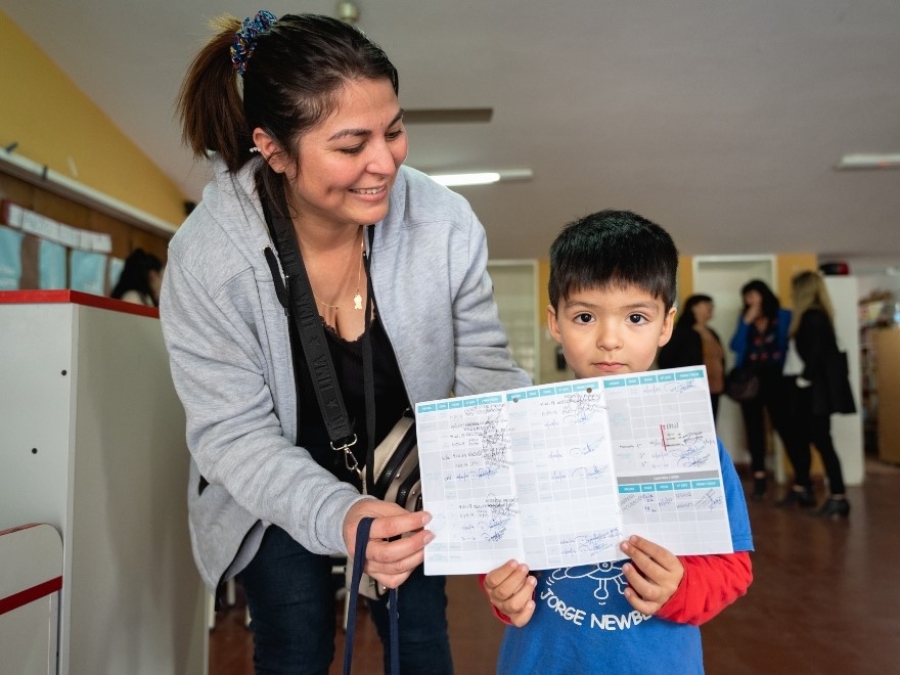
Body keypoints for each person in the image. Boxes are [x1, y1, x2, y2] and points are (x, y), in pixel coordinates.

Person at [162, 11, 530, 674]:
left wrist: (507, 489)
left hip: (404, 462)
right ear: (274, 150)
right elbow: (232, 434)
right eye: (351, 144)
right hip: (273, 472)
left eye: (394, 130)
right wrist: (339, 512)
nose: (384, 162)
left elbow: (486, 372)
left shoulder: (444, 223)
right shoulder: (209, 258)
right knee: (295, 638)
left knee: (420, 635)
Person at [481, 210, 753, 674]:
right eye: (585, 316)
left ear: (666, 325)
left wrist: (680, 586)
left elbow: (733, 568)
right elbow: (497, 556)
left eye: (636, 317)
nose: (610, 339)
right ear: (555, 323)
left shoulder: (692, 440)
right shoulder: (524, 434)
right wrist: (503, 593)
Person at [779, 271, 854, 518]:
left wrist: (803, 380)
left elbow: (815, 354)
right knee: (803, 439)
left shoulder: (813, 317)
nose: (791, 293)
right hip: (809, 390)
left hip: (812, 392)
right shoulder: (816, 316)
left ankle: (838, 497)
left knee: (822, 442)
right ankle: (803, 489)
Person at [728, 279, 794, 500]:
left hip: (777, 378)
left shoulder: (783, 316)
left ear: (764, 295)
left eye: (752, 295)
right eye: (746, 297)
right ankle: (759, 480)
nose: (749, 300)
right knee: (754, 429)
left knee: (785, 426)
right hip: (751, 380)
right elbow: (735, 346)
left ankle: (800, 480)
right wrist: (745, 322)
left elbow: (790, 345)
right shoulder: (745, 318)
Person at [657, 293, 726, 420]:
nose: (711, 307)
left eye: (711, 305)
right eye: (706, 304)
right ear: (694, 307)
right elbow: (665, 360)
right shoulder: (682, 332)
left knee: (711, 424)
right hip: (691, 391)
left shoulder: (711, 332)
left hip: (714, 389)